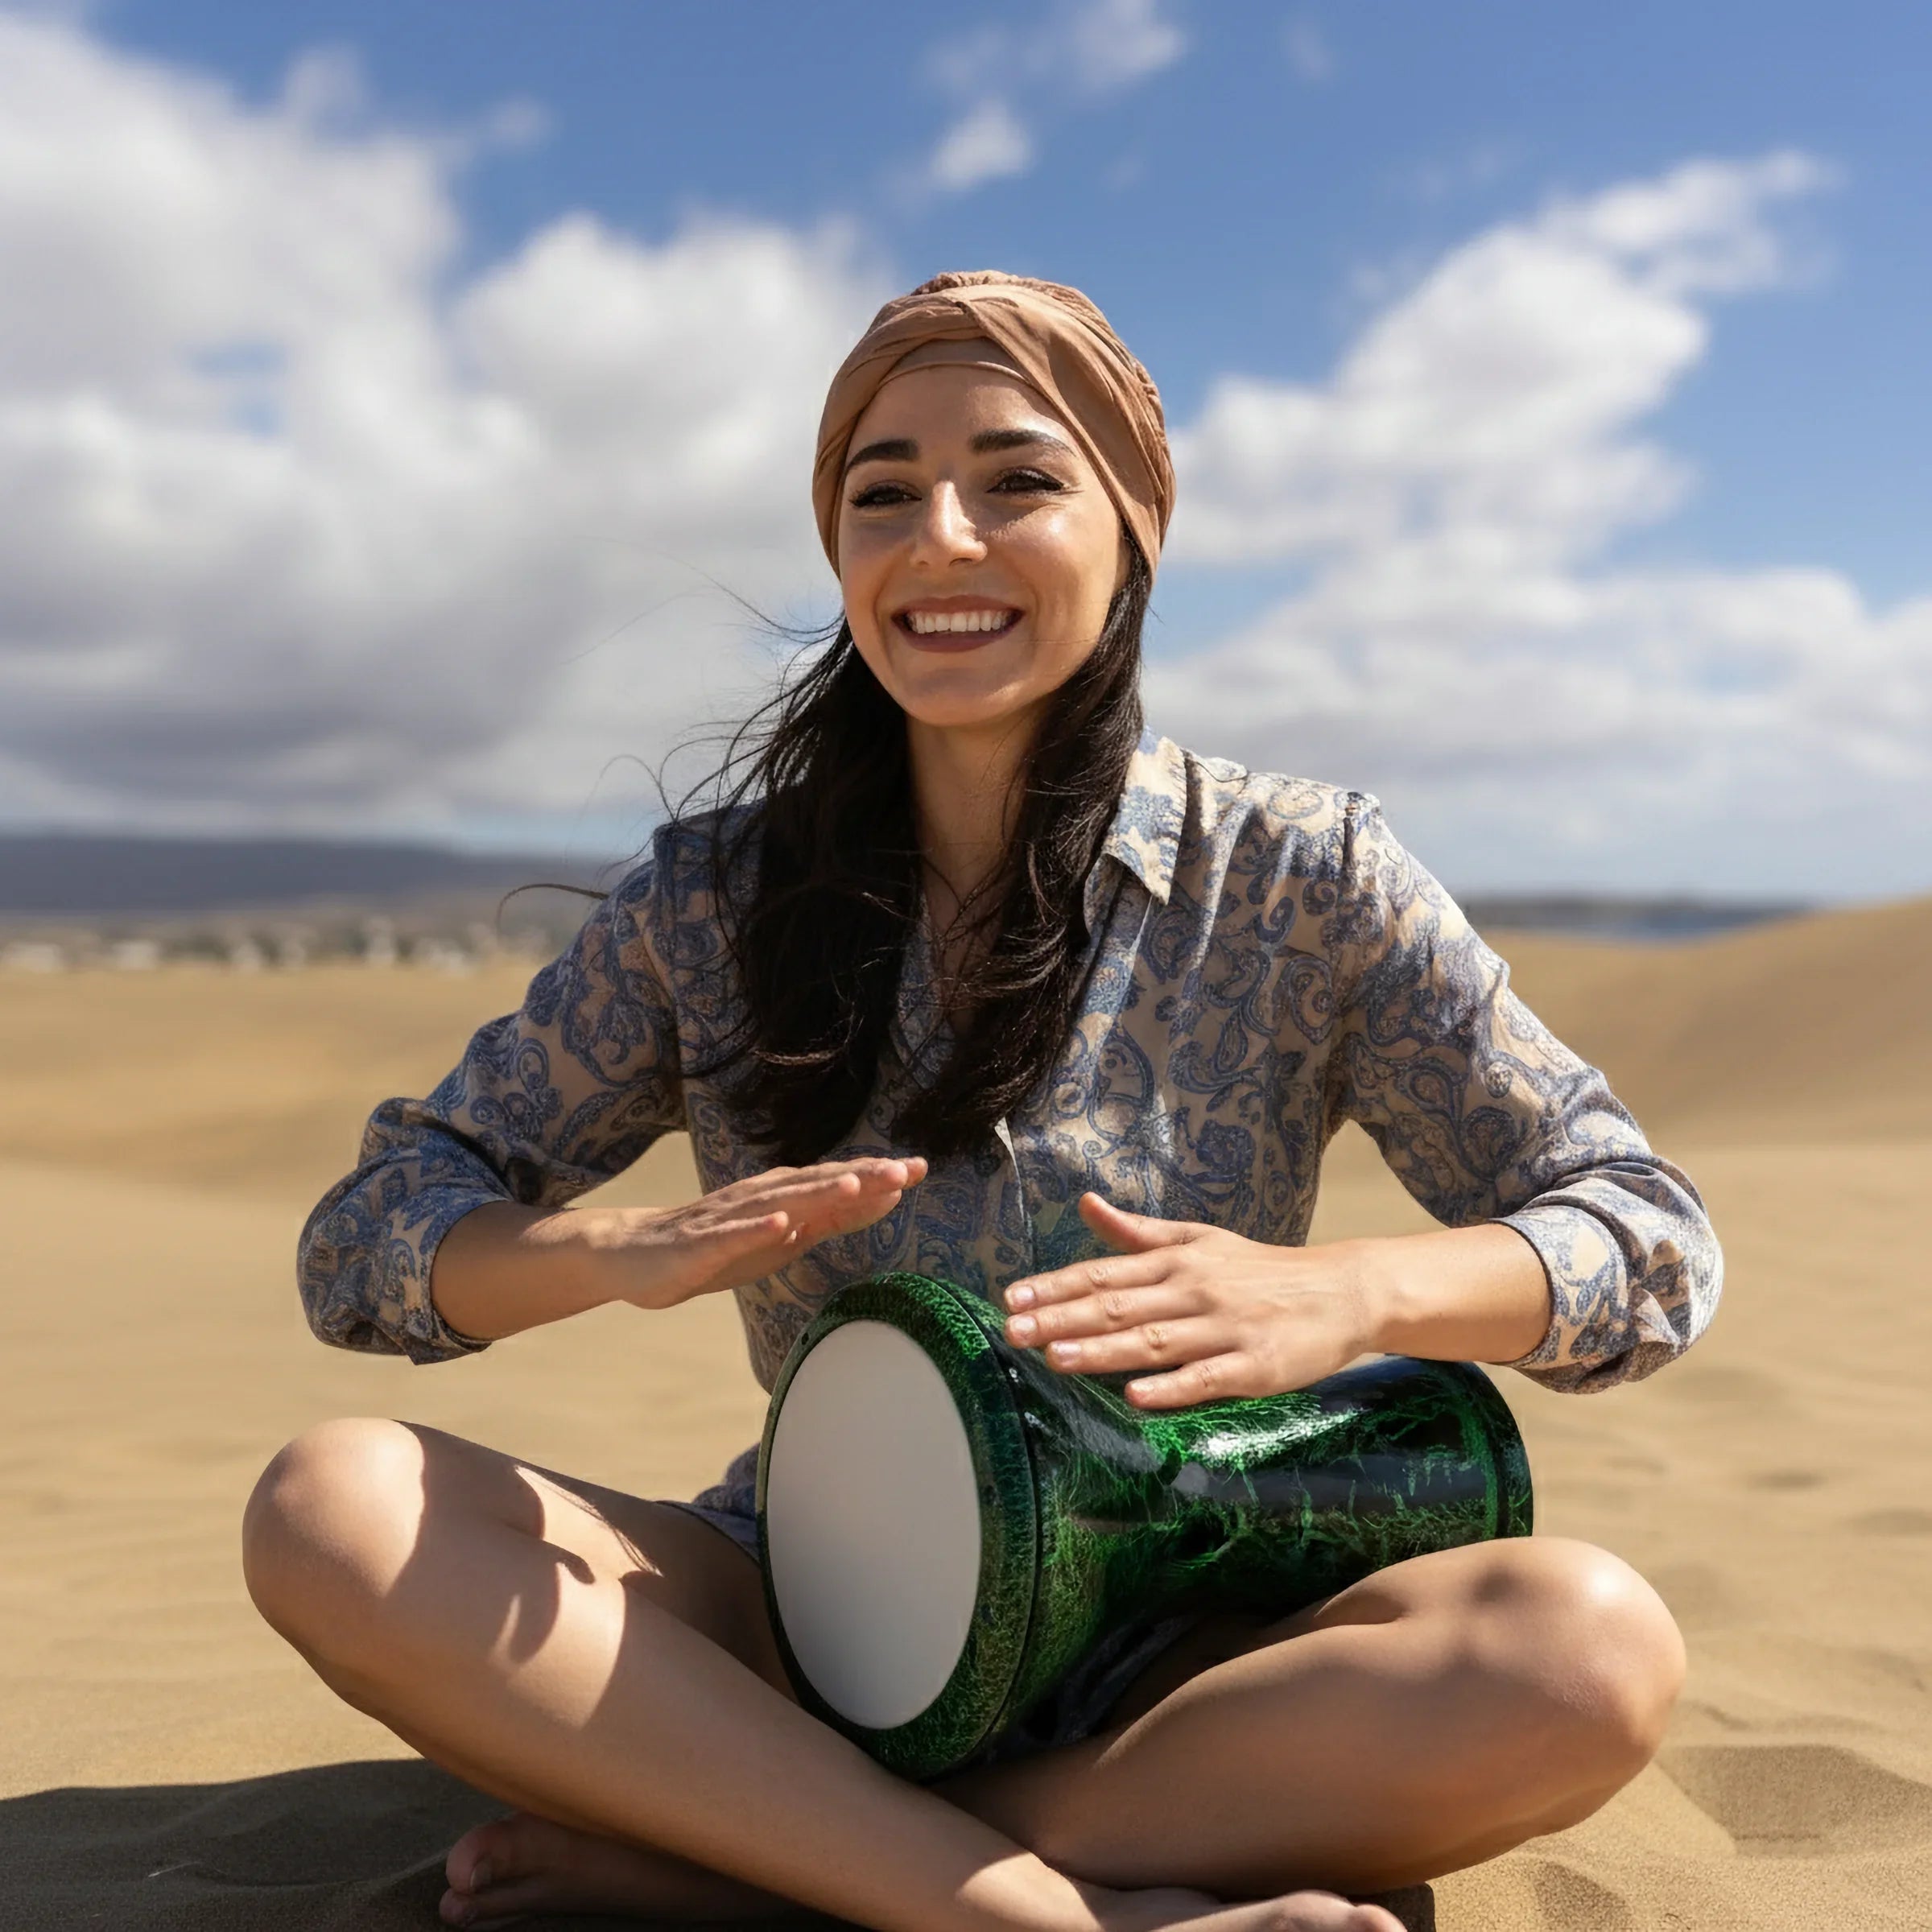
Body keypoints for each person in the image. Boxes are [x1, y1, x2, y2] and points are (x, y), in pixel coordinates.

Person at [243, 272, 1721, 1932]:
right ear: (841, 554)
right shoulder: (713, 901)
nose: (943, 537)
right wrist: (612, 1249)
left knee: (1590, 1651)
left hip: (1196, 1649)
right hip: (813, 1625)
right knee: (336, 1510)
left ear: (1132, 525)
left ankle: (766, 1864)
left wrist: (1347, 1292)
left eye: (1018, 479)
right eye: (884, 495)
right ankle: (1017, 1911)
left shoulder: (1304, 877)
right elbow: (370, 1238)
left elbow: (1648, 1241)